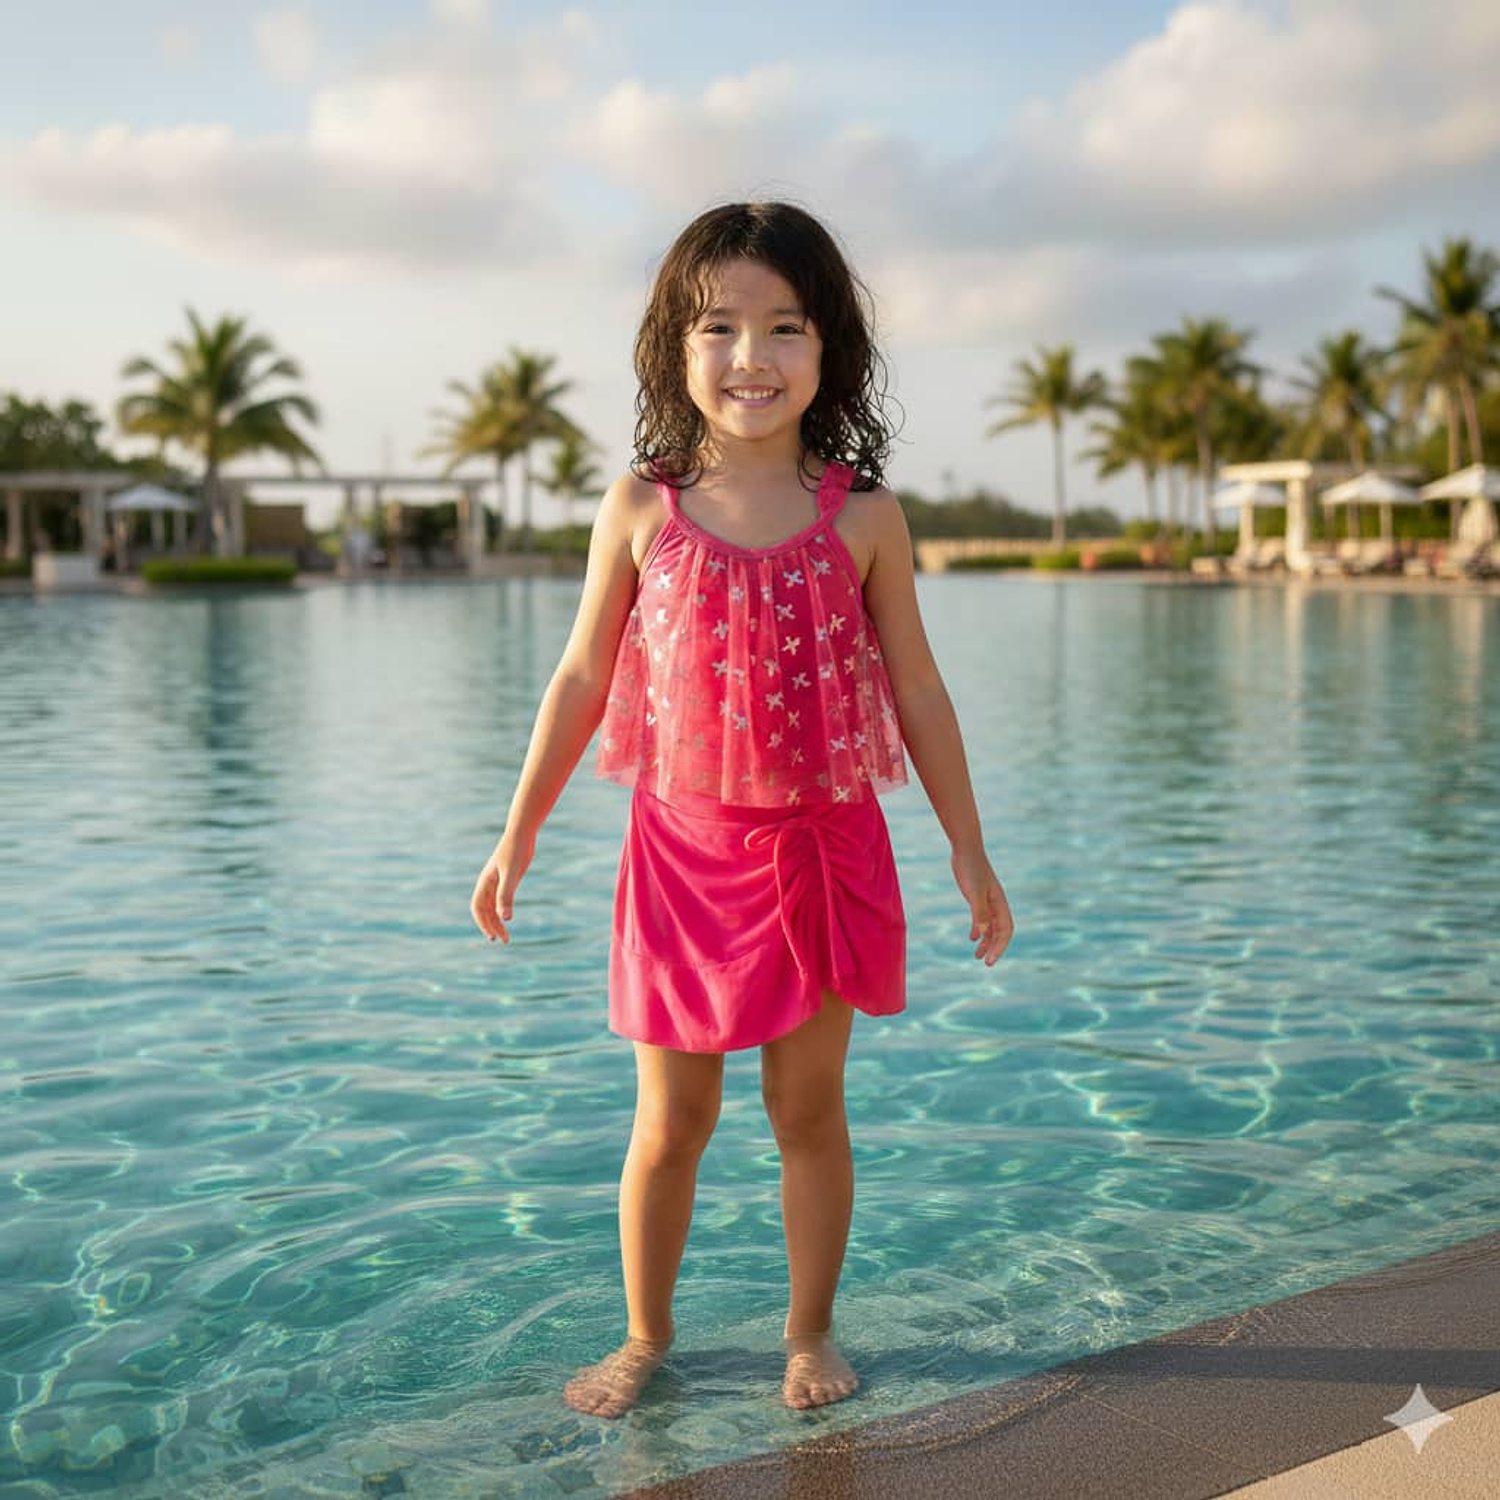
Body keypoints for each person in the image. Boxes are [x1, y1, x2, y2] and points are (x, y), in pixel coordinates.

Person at [470, 201, 1014, 1418]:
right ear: (675, 345)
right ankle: (646, 1334)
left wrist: (969, 853)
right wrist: (520, 829)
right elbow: (580, 678)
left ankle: (808, 1331)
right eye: (719, 327)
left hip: (823, 851)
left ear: (831, 356)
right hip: (679, 856)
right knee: (671, 1124)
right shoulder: (642, 507)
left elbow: (918, 689)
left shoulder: (863, 517)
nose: (751, 358)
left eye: (785, 328)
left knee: (805, 1113)